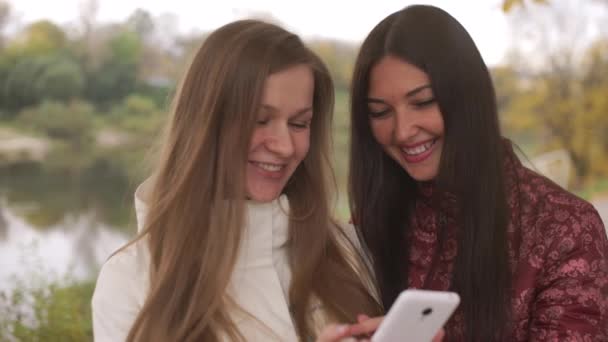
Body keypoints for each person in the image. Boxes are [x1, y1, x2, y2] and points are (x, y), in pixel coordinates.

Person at [91, 19, 384, 342]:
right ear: (204, 122)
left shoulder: (348, 250)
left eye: (300, 124)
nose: (285, 146)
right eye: (260, 120)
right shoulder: (130, 279)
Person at [348, 4, 608, 341]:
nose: (402, 131)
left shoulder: (564, 230)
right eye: (380, 112)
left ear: (468, 97)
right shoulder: (365, 228)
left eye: (423, 102)